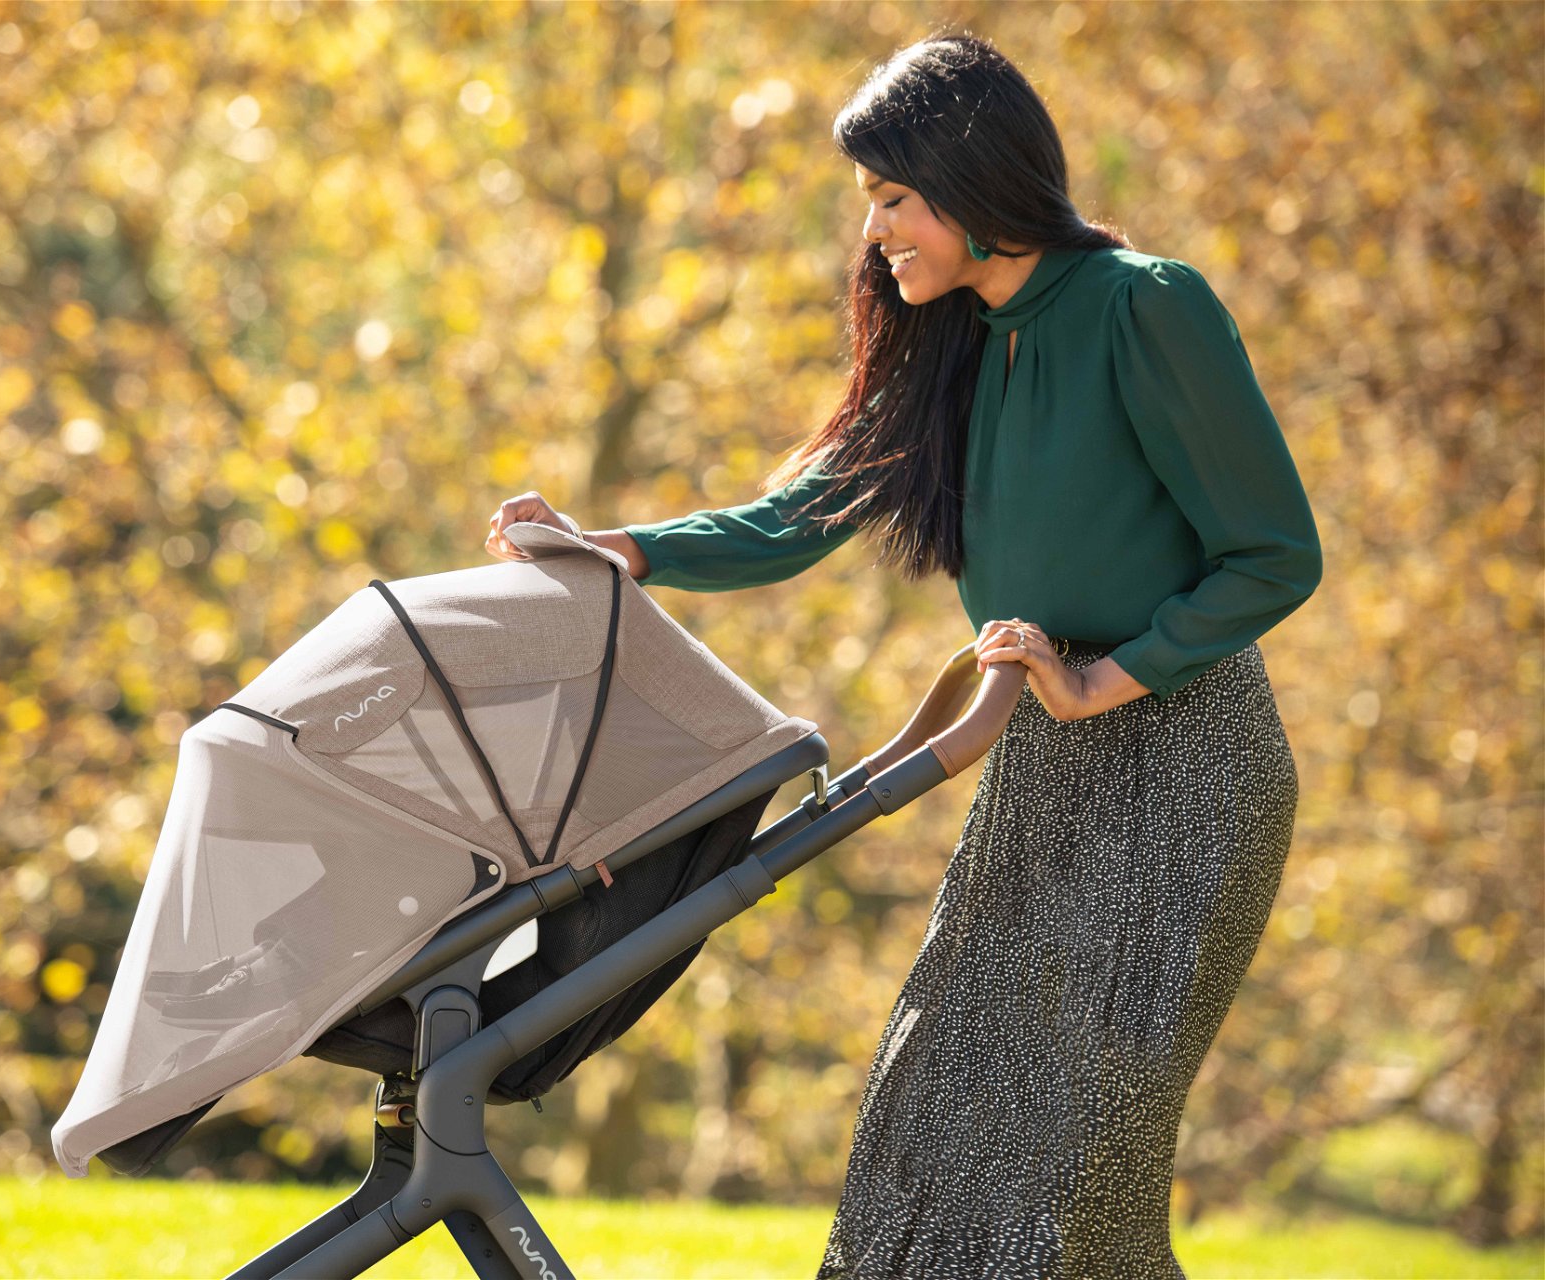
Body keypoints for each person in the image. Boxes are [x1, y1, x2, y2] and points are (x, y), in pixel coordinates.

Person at [483, 30, 1320, 1280]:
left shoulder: (1147, 307)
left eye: (892, 198)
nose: (873, 232)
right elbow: (793, 515)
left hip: (1187, 770)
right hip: (1043, 763)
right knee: (924, 1119)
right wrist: (617, 550)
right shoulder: (951, 340)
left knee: (1066, 1171)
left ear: (973, 180)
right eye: (867, 203)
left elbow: (1274, 555)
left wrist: (1102, 678)